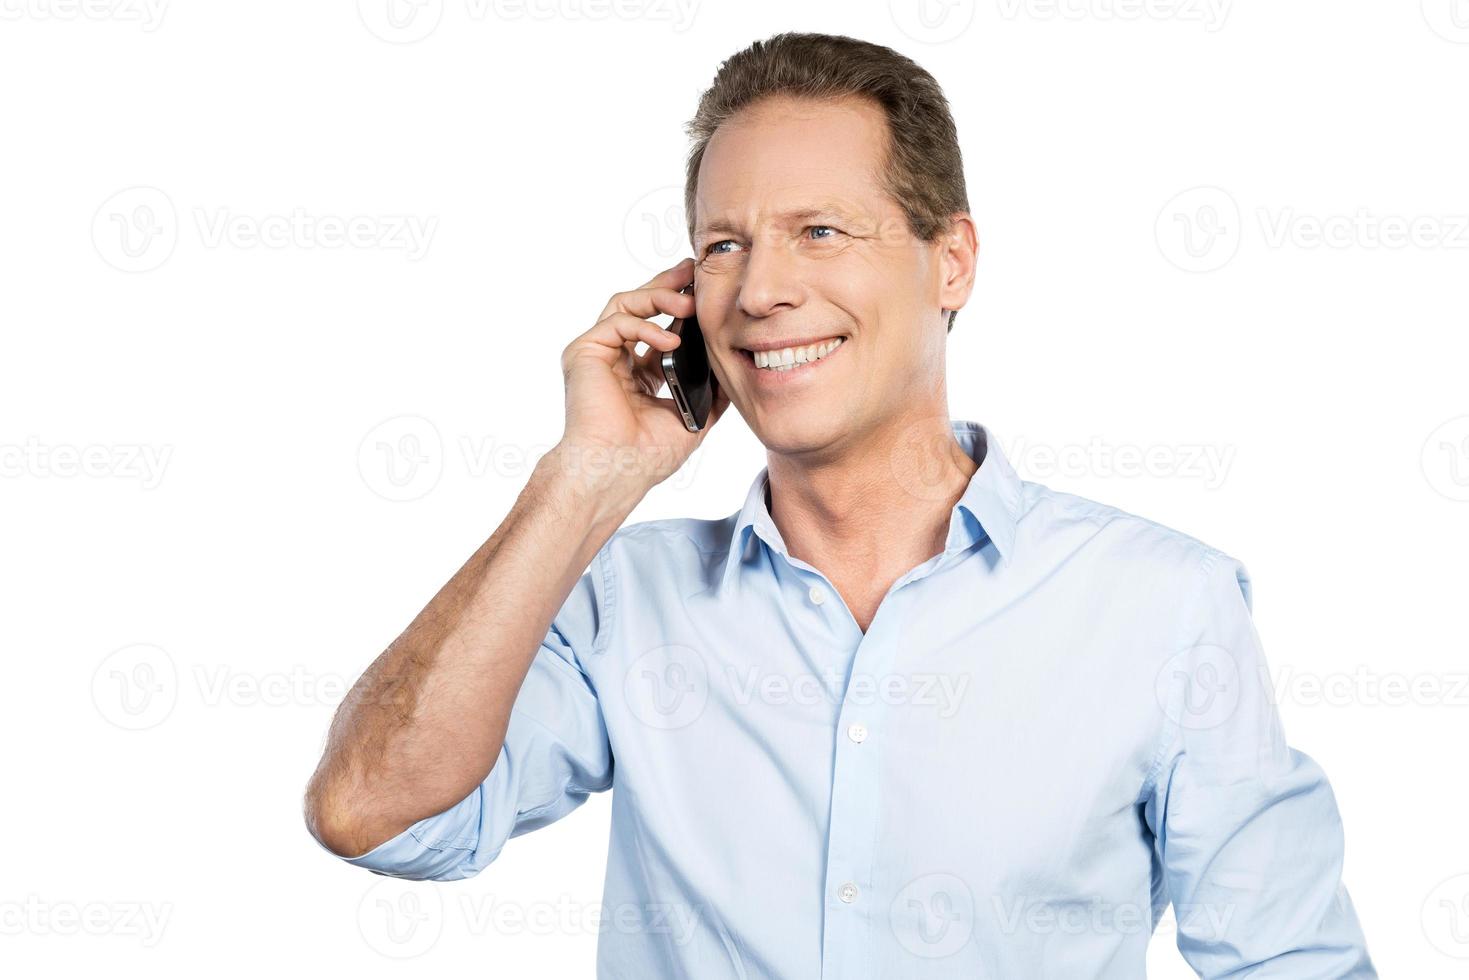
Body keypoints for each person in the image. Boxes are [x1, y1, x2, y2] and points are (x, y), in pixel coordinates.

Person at [304, 31, 1375, 978]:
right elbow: (370, 811)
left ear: (948, 261)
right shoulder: (626, 600)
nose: (760, 287)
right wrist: (586, 476)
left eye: (819, 231)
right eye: (724, 242)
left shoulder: (1160, 605)